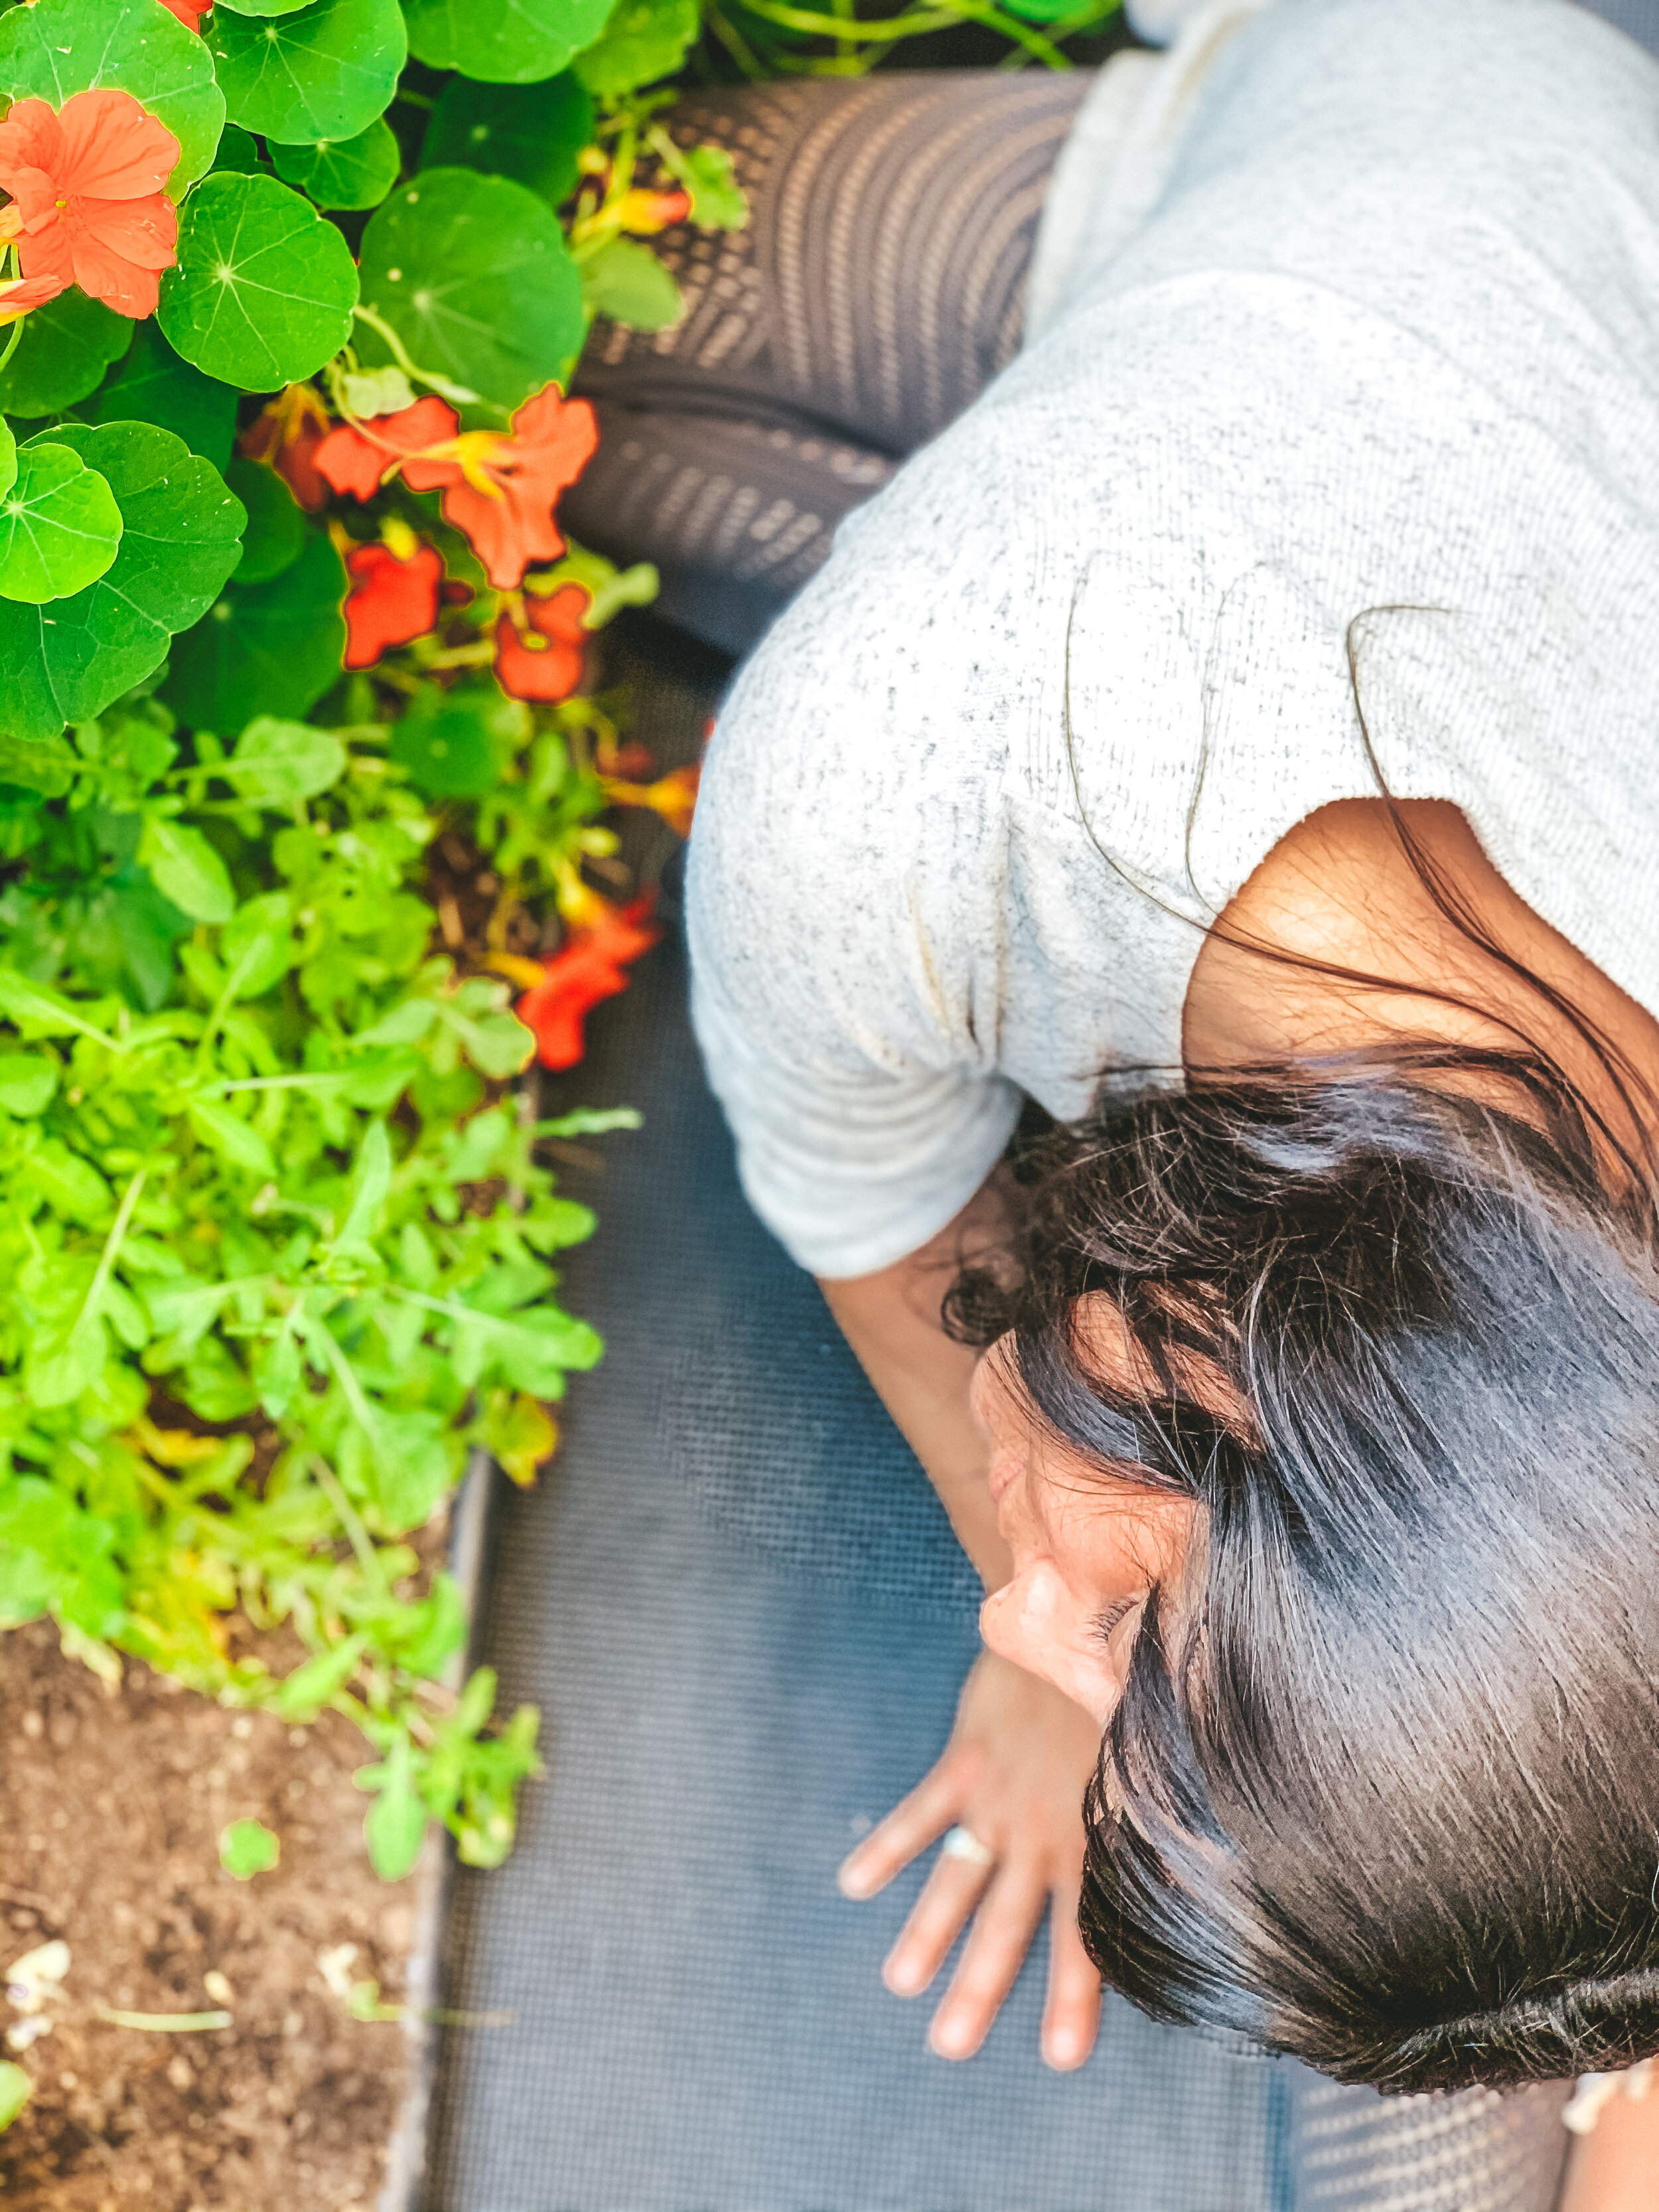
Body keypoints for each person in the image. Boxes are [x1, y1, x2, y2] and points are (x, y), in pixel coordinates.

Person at [563, 0, 1659, 2203]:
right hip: (1365, 146)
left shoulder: (1550, 1412)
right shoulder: (887, 787)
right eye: (1114, 1611)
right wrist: (1062, 1708)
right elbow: (888, 1247)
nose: (1008, 1615)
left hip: (1473, 408)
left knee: (1418, 2018)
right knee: (522, 406)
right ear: (1248, 1369)